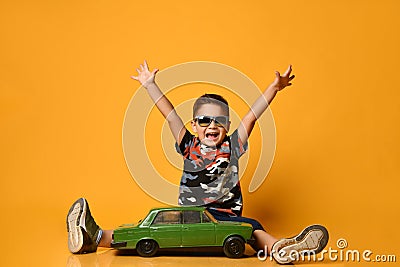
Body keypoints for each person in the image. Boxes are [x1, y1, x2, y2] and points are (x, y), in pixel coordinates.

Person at [66, 60, 328, 264]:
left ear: (227, 126)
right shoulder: (188, 144)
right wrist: (149, 85)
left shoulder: (232, 146)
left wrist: (274, 87)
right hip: (189, 218)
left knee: (253, 228)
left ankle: (280, 249)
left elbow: (251, 117)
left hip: (223, 221)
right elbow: (170, 116)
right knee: (145, 231)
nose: (212, 126)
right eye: (204, 121)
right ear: (194, 125)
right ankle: (94, 237)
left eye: (219, 121)